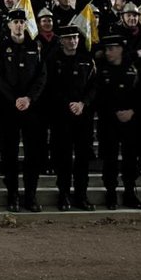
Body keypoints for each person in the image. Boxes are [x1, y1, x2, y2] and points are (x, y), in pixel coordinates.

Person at [0, 8, 48, 212]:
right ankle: (13, 194)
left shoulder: (36, 47)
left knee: (33, 154)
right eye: (14, 22)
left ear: (26, 24)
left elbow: (42, 77)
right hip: (9, 109)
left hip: (32, 109)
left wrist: (29, 98)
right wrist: (15, 99)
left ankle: (30, 195)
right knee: (9, 155)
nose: (18, 25)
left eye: (21, 22)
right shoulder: (1, 48)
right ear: (8, 25)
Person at [47, 25, 97, 211]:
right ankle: (64, 195)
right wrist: (69, 104)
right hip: (61, 116)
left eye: (75, 37)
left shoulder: (87, 59)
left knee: (83, 158)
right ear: (61, 41)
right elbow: (51, 87)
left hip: (83, 115)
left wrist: (83, 103)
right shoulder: (53, 60)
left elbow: (93, 86)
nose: (73, 41)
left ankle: (81, 195)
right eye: (68, 38)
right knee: (63, 158)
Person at [94, 36, 141, 210]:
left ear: (121, 49)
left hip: (131, 121)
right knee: (110, 159)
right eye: (106, 49)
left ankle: (130, 192)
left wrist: (132, 111)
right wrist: (114, 112)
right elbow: (98, 96)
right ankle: (111, 193)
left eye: (112, 49)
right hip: (109, 121)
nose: (108, 52)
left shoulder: (134, 68)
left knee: (131, 158)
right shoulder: (101, 69)